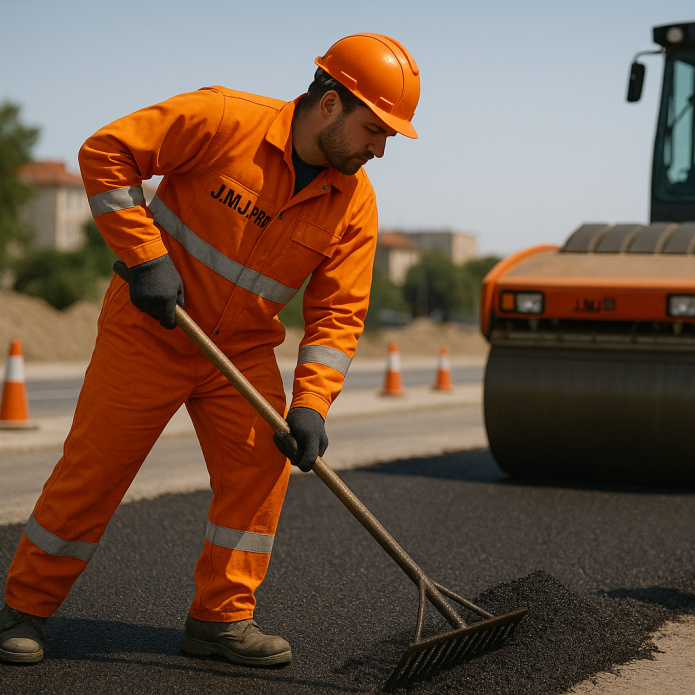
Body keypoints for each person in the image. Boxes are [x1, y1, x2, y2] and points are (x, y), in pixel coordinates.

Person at [0, 33, 420, 666]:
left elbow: (338, 315)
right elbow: (106, 153)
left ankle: (219, 620)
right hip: (151, 332)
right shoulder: (224, 119)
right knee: (94, 472)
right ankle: (24, 609)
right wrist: (145, 257)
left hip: (241, 353)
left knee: (260, 471)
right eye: (375, 130)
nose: (380, 149)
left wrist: (310, 405)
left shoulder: (353, 204)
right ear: (331, 103)